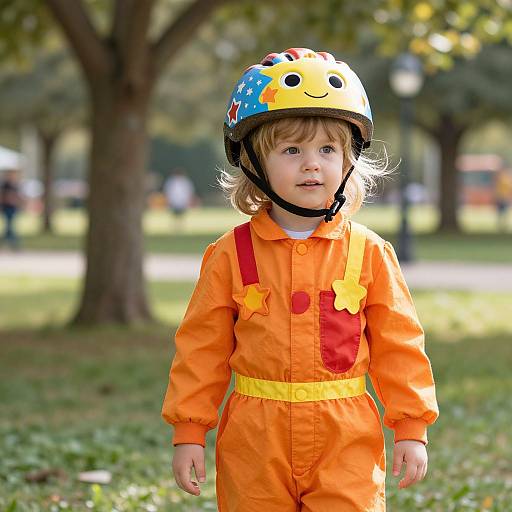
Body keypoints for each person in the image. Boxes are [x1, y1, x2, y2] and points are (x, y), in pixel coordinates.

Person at [161, 48, 439, 511]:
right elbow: (201, 347)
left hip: (345, 434)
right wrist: (189, 431)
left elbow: (400, 344)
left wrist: (411, 427)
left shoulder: (369, 251)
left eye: (328, 149)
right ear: (253, 161)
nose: (312, 163)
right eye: (292, 150)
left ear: (349, 161)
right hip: (254, 438)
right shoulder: (230, 253)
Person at [163, 168, 196, 232]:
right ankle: (175, 226)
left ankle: (180, 226)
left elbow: (188, 191)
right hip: (174, 200)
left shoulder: (185, 181)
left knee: (181, 214)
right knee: (174, 214)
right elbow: (168, 191)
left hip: (182, 201)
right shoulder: (171, 181)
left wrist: (187, 199)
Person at [0, 169, 22, 250]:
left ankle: (10, 242)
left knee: (10, 226)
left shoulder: (15, 185)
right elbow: (3, 196)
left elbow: (18, 196)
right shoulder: (6, 185)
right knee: (9, 226)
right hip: (7, 207)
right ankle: (14, 244)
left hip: (13, 207)